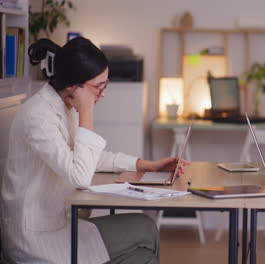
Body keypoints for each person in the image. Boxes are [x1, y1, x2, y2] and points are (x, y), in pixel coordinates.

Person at [0, 37, 189, 264]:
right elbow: (79, 175)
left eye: (105, 85)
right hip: (35, 237)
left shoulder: (63, 106)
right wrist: (87, 112)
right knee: (145, 228)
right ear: (74, 86)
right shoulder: (39, 116)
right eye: (99, 87)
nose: (103, 93)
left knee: (142, 254)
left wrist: (147, 165)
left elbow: (88, 158)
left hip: (58, 223)